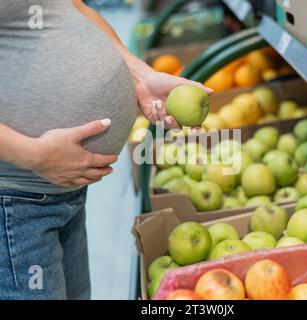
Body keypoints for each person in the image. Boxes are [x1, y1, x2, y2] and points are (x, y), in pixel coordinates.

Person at [0, 0, 212, 300]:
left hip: (62, 193)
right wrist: (33, 154)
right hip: (14, 204)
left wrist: (140, 76)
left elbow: (73, 8)